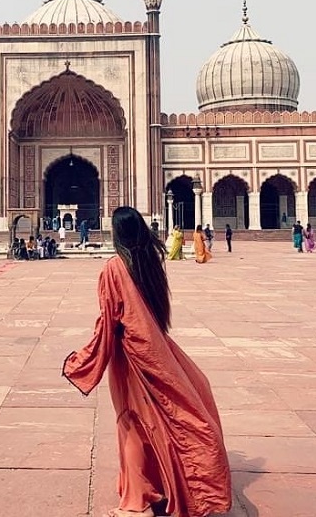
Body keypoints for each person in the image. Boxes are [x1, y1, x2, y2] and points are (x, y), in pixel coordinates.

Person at [63, 206, 232, 517]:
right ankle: (158, 485)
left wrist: (85, 358)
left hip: (131, 357)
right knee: (161, 418)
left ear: (117, 234)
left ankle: (137, 501)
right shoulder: (150, 262)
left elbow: (110, 318)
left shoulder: (115, 268)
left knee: (132, 422)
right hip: (156, 348)